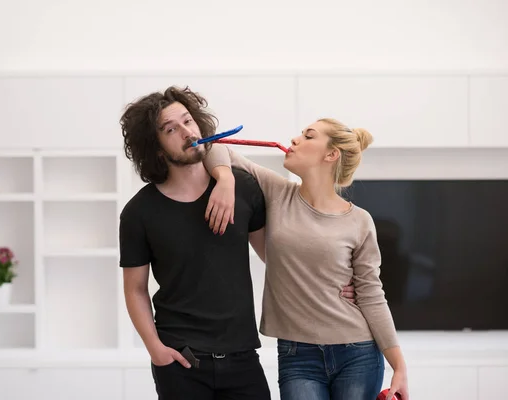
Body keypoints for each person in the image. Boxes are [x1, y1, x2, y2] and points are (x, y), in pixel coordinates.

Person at [118, 86, 356, 399]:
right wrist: (156, 350)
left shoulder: (242, 187)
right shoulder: (139, 212)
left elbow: (276, 258)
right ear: (157, 147)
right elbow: (135, 289)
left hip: (243, 357)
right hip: (180, 359)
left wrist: (333, 283)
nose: (187, 132)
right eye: (170, 129)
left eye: (188, 121)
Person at [202, 118, 410, 400]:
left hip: (357, 352)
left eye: (308, 136)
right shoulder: (277, 192)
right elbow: (214, 147)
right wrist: (225, 178)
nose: (296, 140)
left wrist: (398, 366)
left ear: (331, 154)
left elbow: (372, 294)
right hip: (297, 354)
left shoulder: (360, 221)